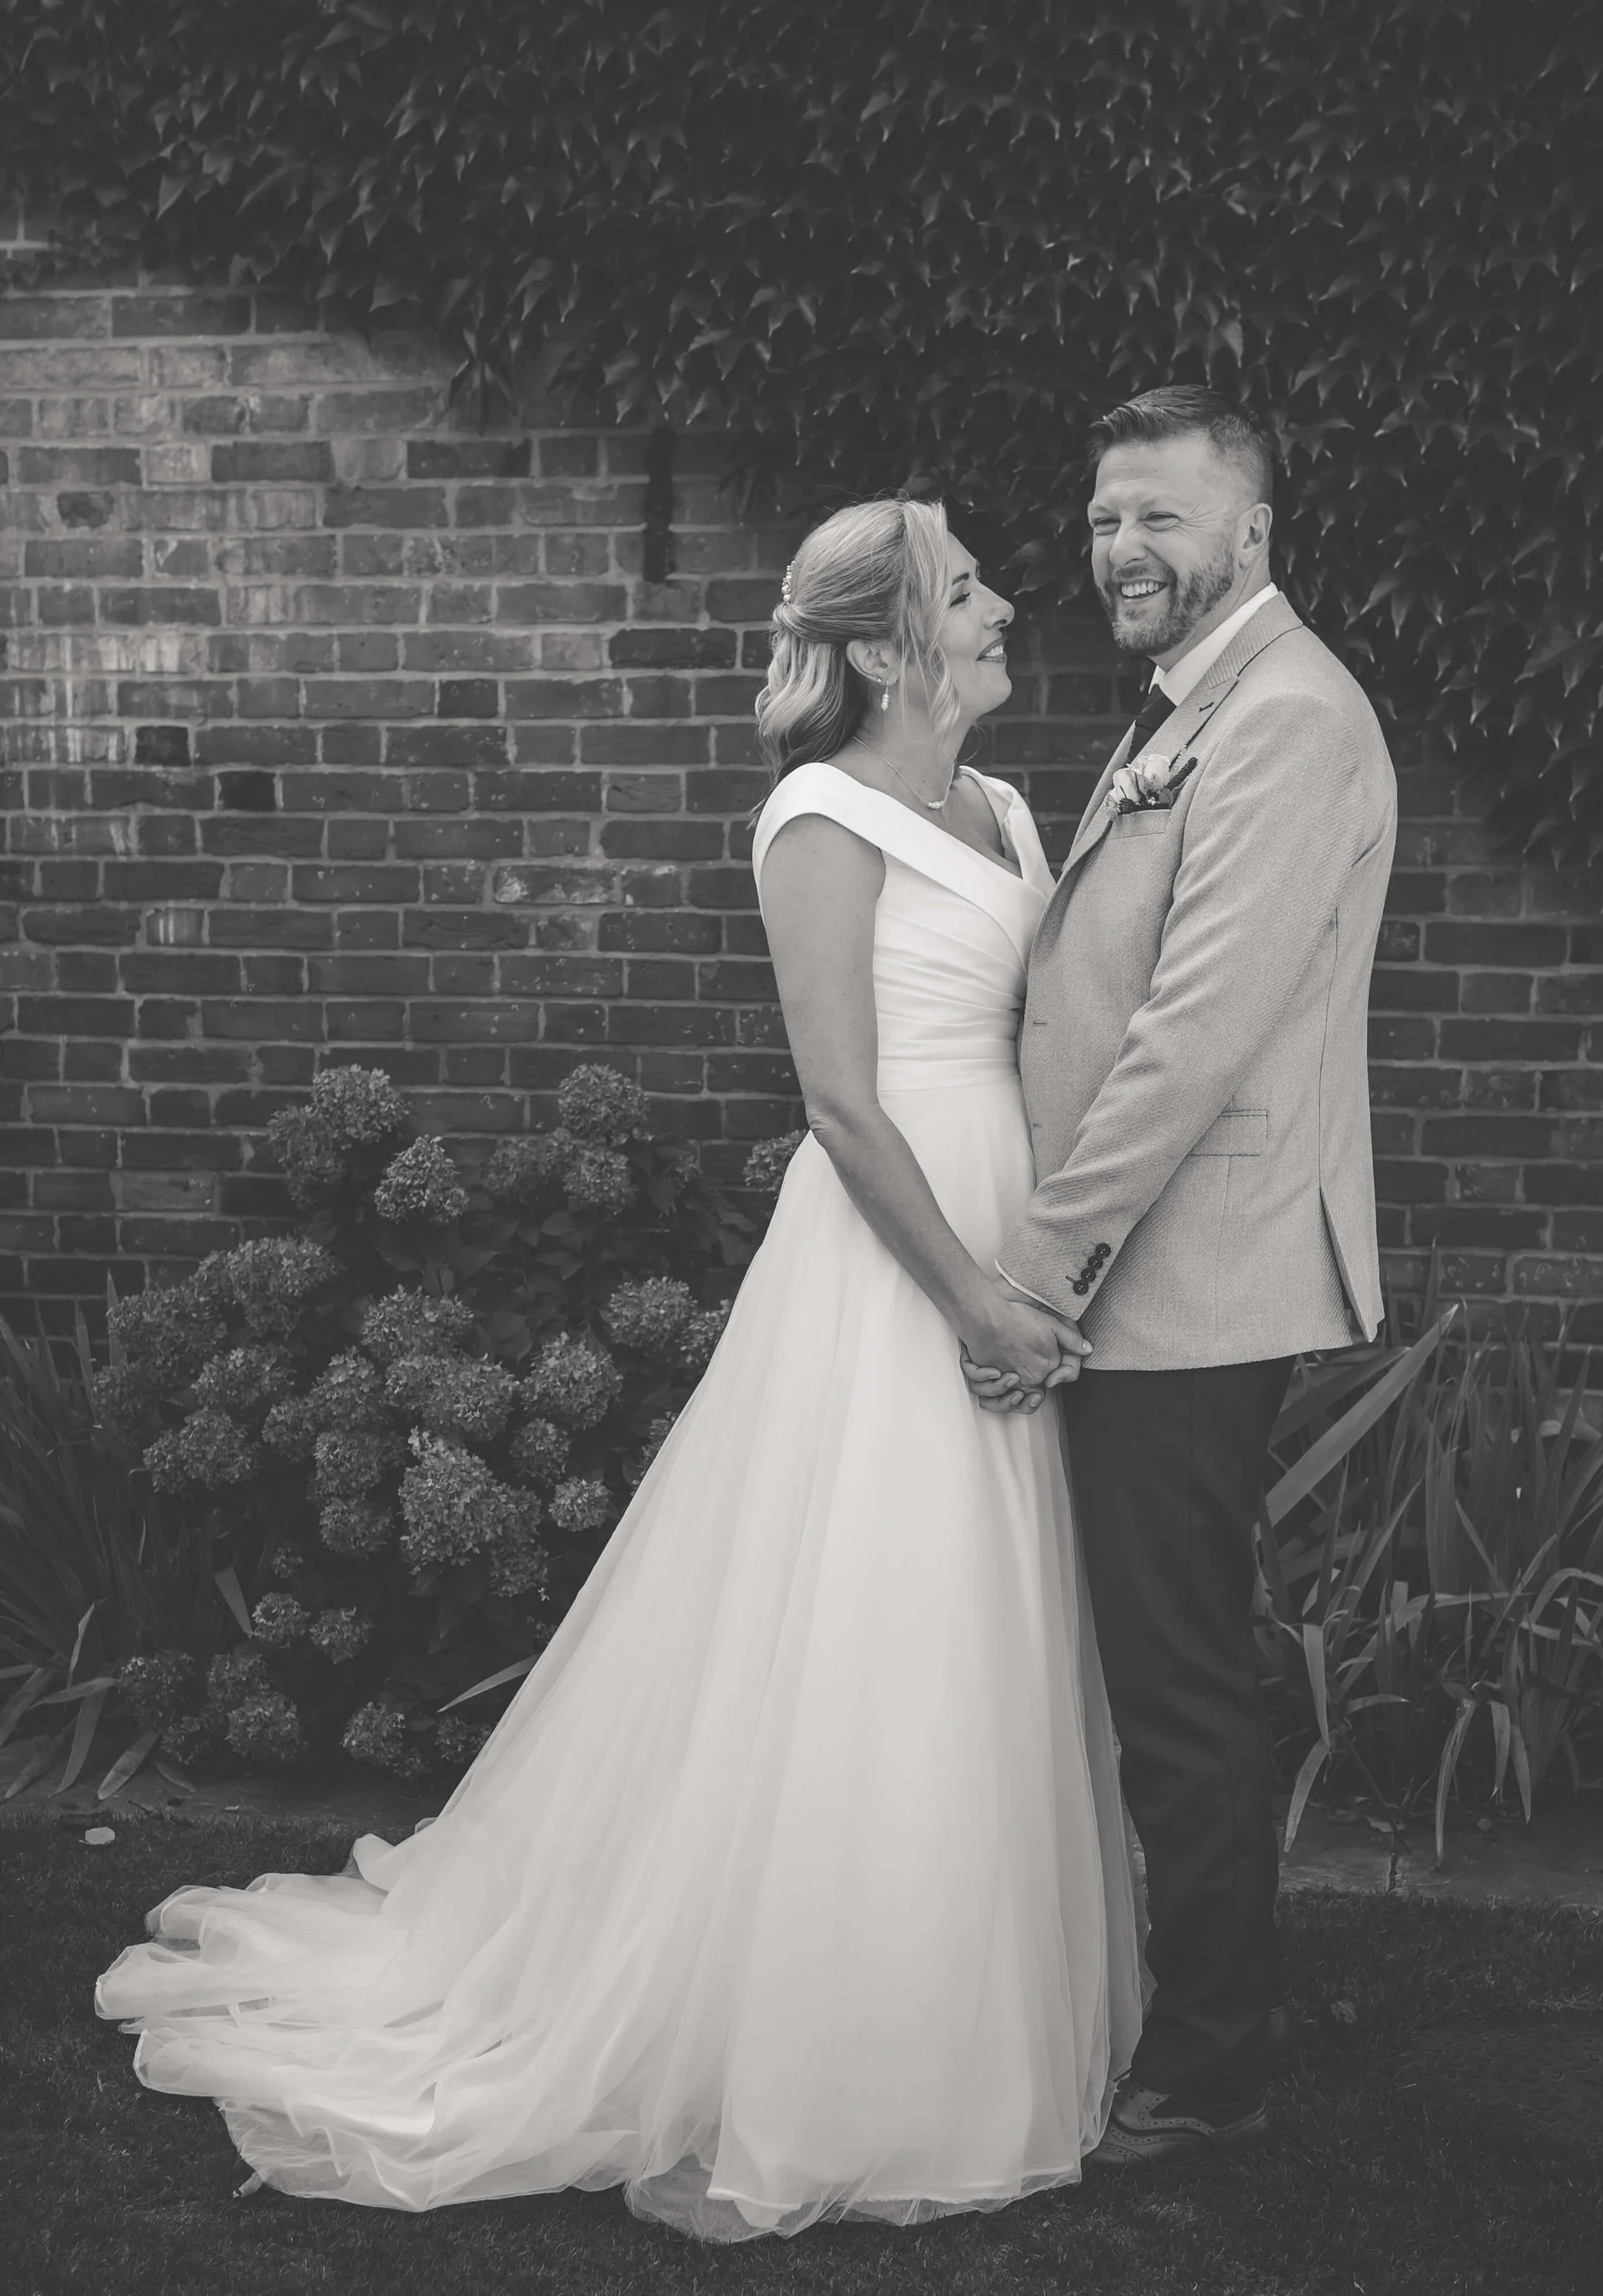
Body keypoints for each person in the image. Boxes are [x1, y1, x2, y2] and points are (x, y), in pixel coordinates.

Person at [95, 497, 1142, 2242]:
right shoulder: (814, 818)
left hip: (1005, 1233)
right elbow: (838, 1102)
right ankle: (817, 2047)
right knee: (866, 1622)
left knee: (980, 1628)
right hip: (894, 1264)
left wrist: (1049, 1250)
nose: (1007, 603)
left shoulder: (1010, 808)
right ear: (888, 645)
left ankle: (945, 1998)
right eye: (967, 589)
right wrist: (964, 1293)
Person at [964, 385, 1397, 2163]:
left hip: (1182, 1275)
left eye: (1157, 517)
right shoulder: (1195, 701)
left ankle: (1207, 2063)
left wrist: (1039, 1266)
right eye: (1099, 519)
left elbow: (1190, 1035)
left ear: (1250, 535)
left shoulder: (1284, 718)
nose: (1118, 549)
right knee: (1154, 1661)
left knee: (1173, 1677)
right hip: (1140, 1273)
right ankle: (1173, 2005)